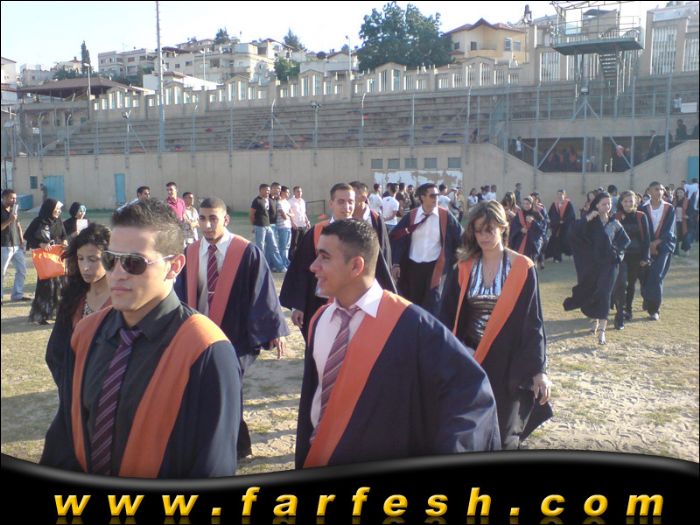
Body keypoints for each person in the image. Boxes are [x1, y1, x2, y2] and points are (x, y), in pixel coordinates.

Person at [40, 199, 242, 478]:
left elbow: (213, 466)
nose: (117, 274)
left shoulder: (205, 350)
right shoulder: (86, 334)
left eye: (134, 263)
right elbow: (65, 435)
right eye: (110, 260)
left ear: (174, 266)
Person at [296, 219, 500, 467]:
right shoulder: (320, 320)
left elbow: (472, 393)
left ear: (356, 266)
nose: (313, 266)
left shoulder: (411, 325)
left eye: (325, 257)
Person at [175, 196, 289, 461]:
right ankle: (210, 442)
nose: (207, 224)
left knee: (228, 388)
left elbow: (262, 291)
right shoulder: (190, 253)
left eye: (213, 218)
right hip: (198, 333)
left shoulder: (246, 252)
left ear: (225, 219)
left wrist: (273, 330)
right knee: (200, 388)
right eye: (202, 218)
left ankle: (236, 445)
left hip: (234, 333)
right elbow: (179, 295)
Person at [440, 201, 552, 449]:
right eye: (478, 230)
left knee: (504, 434)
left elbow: (533, 323)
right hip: (471, 359)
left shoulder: (522, 267)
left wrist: (539, 371)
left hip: (508, 365)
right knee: (469, 430)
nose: (483, 236)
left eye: (489, 230)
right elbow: (446, 317)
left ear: (503, 227)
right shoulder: (464, 267)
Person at [280, 183, 395, 341]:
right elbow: (301, 270)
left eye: (350, 202)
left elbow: (378, 271)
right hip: (320, 302)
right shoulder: (317, 232)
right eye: (341, 202)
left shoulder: (364, 235)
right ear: (331, 204)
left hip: (357, 303)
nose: (347, 207)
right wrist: (298, 305)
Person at [45, 223, 112, 388]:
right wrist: (69, 385)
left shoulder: (122, 300)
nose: (85, 267)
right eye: (80, 258)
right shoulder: (74, 297)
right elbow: (56, 351)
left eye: (93, 259)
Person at [564, 192, 630, 345]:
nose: (607, 207)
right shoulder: (590, 221)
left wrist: (617, 254)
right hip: (592, 265)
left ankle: (602, 331)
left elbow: (625, 241)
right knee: (593, 291)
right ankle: (595, 319)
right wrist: (587, 218)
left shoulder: (614, 223)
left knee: (605, 293)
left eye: (609, 204)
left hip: (610, 264)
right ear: (597, 205)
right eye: (603, 204)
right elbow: (573, 233)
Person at [390, 182, 463, 316]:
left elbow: (461, 237)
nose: (436, 198)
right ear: (422, 197)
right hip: (413, 267)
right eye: (432, 196)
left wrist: (455, 260)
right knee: (413, 304)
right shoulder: (412, 216)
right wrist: (396, 262)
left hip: (435, 267)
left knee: (433, 304)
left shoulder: (445, 216)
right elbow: (397, 237)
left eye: (437, 195)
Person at [24, 198, 68, 325]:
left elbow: (64, 235)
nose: (59, 211)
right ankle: (41, 315)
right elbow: (28, 236)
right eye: (56, 209)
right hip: (44, 259)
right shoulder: (39, 221)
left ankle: (56, 313)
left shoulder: (58, 221)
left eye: (59, 209)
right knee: (46, 287)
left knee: (59, 285)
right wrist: (41, 244)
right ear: (50, 209)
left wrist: (64, 242)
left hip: (57, 257)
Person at [612, 191, 651, 330]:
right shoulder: (616, 216)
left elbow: (646, 238)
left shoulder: (641, 216)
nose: (628, 204)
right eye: (625, 201)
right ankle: (619, 314)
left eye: (630, 201)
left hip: (636, 255)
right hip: (621, 256)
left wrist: (645, 257)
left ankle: (628, 309)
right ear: (621, 202)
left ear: (635, 202)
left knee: (631, 284)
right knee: (621, 283)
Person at [640, 182, 676, 321]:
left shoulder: (669, 208)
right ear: (649, 191)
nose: (660, 191)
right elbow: (641, 228)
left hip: (664, 246)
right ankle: (647, 298)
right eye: (656, 189)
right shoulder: (643, 208)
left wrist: (656, 243)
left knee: (656, 276)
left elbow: (670, 230)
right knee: (644, 276)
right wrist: (649, 244)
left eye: (661, 189)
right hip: (646, 247)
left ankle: (654, 310)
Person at [349, 180, 394, 273]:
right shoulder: (344, 217)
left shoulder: (375, 218)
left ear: (363, 197)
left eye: (353, 195)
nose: (349, 199)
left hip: (372, 269)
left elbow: (384, 246)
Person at [1, 189, 30, 303]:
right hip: (4, 246)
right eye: (11, 198)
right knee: (2, 272)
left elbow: (18, 225)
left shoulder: (14, 209)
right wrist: (9, 220)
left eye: (15, 198)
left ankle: (17, 295)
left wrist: (22, 241)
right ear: (4, 198)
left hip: (16, 245)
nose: (14, 200)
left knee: (22, 270)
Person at [249, 183, 285, 272]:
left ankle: (280, 267)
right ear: (261, 190)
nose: (268, 192)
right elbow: (251, 215)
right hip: (260, 227)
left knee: (274, 246)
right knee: (260, 247)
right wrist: (255, 225)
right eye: (266, 190)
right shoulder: (256, 201)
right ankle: (261, 267)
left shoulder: (267, 200)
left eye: (269, 190)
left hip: (268, 226)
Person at [508, 196, 546, 262]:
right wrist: (520, 229)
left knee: (530, 261)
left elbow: (542, 229)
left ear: (531, 204)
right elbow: (514, 225)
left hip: (531, 242)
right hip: (520, 241)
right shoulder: (519, 214)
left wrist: (533, 222)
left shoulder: (537, 214)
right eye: (524, 203)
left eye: (527, 204)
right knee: (519, 260)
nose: (525, 205)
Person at [545, 190, 576, 263]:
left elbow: (571, 215)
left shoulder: (568, 204)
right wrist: (555, 221)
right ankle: (557, 258)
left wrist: (563, 220)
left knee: (565, 241)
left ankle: (570, 254)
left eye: (561, 194)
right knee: (556, 242)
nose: (560, 196)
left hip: (565, 227)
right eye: (558, 194)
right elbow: (551, 214)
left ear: (564, 195)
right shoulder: (554, 204)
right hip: (556, 227)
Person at [288, 186, 310, 262]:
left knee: (302, 242)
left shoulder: (303, 201)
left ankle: (301, 258)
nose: (299, 193)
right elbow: (289, 213)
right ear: (294, 192)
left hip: (303, 225)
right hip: (295, 226)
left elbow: (304, 213)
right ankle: (291, 259)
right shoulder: (290, 202)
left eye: (300, 191)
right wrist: (292, 223)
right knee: (294, 243)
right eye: (297, 191)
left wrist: (307, 221)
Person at [275, 186, 293, 268]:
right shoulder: (279, 203)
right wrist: (288, 214)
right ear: (282, 192)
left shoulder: (287, 202)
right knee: (282, 246)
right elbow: (284, 216)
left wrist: (287, 214)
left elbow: (292, 214)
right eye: (287, 192)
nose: (288, 194)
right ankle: (282, 263)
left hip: (288, 226)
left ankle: (285, 262)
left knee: (287, 246)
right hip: (282, 227)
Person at [672, 188, 691, 255]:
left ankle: (687, 250)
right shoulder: (674, 201)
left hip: (685, 221)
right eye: (678, 192)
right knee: (675, 237)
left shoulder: (687, 200)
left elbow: (691, 210)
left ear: (684, 193)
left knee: (685, 236)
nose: (679, 194)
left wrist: (688, 216)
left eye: (681, 192)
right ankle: (676, 253)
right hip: (676, 221)